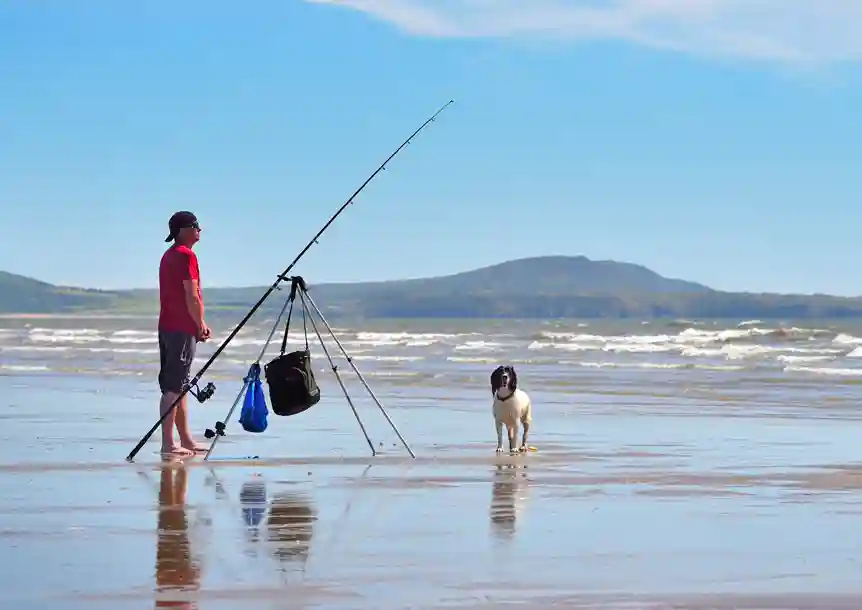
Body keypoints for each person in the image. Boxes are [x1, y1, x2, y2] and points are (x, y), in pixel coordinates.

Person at [157, 211, 211, 456]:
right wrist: (199, 324)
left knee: (180, 385)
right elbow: (191, 294)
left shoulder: (168, 256)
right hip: (181, 328)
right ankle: (168, 444)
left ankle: (186, 440)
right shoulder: (186, 256)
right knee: (173, 388)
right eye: (196, 226)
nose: (200, 230)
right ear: (183, 230)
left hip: (168, 327)